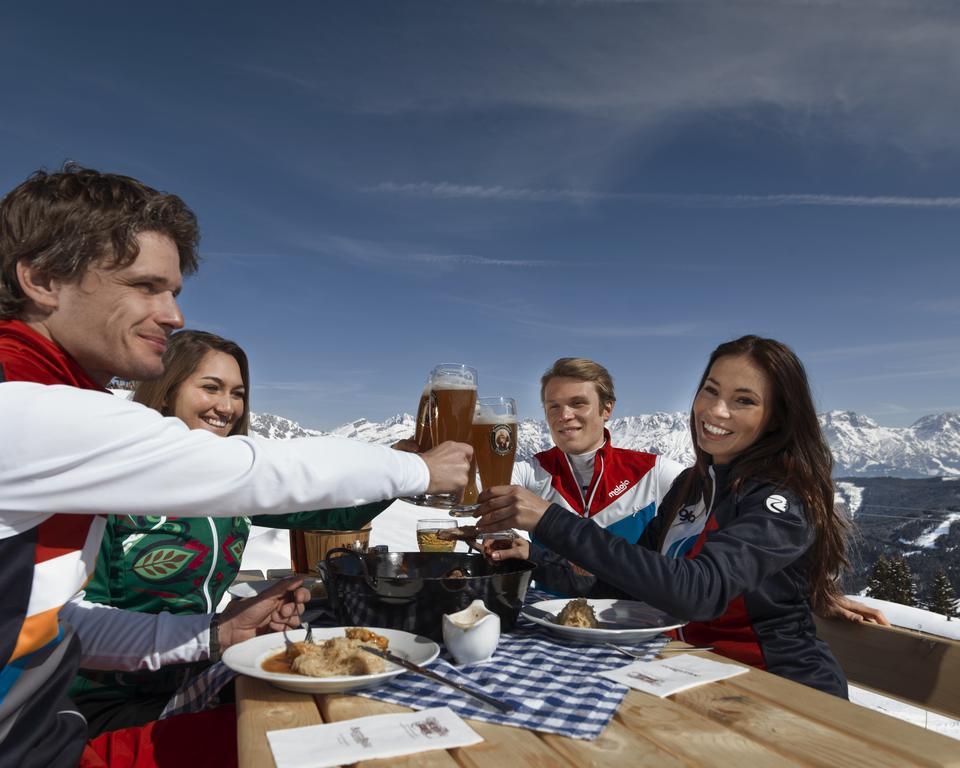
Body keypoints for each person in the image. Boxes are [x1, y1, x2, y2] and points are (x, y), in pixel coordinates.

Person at [0, 165, 471, 767]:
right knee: (367, 743)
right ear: (42, 279)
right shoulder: (24, 405)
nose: (172, 316)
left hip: (49, 736)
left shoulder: (54, 412)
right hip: (72, 731)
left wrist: (218, 634)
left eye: (173, 291)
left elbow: (50, 625)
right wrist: (422, 471)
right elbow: (253, 474)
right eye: (145, 286)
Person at [479, 336, 857, 697]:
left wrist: (550, 521)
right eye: (711, 390)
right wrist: (534, 559)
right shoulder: (692, 486)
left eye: (743, 400)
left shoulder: (781, 496)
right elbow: (624, 585)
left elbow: (699, 592)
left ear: (776, 418)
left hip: (782, 691)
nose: (716, 410)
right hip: (694, 675)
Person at [69, 329, 394, 735]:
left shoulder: (230, 486)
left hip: (200, 673)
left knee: (353, 708)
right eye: (211, 388)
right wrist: (216, 632)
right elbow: (71, 629)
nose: (227, 407)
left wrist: (406, 471)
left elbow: (332, 512)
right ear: (167, 390)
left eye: (237, 393)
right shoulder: (109, 490)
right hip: (105, 705)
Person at [483, 357, 685, 596]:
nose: (564, 415)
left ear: (607, 409)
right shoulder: (533, 470)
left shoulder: (654, 472)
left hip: (631, 625)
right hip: (548, 624)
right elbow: (474, 488)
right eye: (554, 406)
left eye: (578, 403)